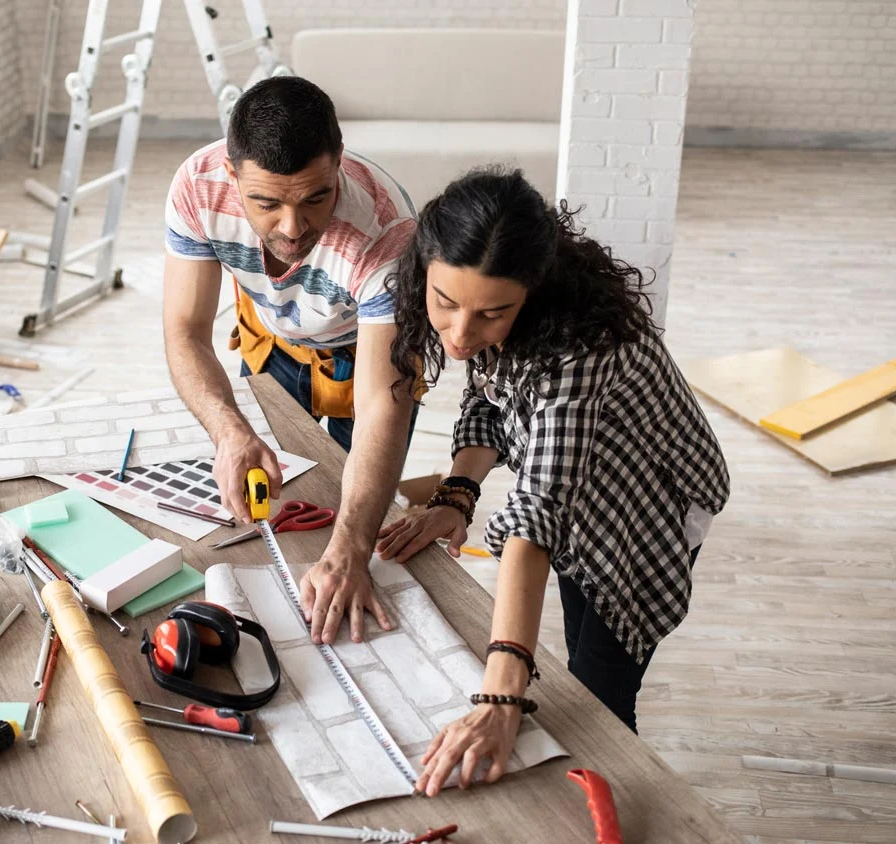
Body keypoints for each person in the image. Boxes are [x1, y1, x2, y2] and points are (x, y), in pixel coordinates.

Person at [375, 167, 730, 796]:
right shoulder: (491, 315)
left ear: (532, 295)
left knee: (601, 686)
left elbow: (538, 514)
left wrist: (499, 695)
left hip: (650, 494)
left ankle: (616, 798)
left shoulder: (578, 351)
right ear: (425, 270)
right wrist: (457, 495)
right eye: (445, 304)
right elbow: (489, 402)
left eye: (491, 315)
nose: (459, 335)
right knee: (574, 619)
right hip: (580, 486)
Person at [162, 77, 419, 646]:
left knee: (353, 521)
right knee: (273, 502)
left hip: (365, 355)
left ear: (339, 167)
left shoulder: (389, 232)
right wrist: (229, 431)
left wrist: (352, 549)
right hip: (271, 336)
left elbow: (383, 405)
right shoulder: (198, 186)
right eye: (266, 203)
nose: (292, 228)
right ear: (232, 176)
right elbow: (185, 331)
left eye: (314, 198)